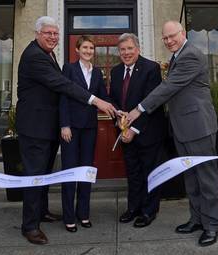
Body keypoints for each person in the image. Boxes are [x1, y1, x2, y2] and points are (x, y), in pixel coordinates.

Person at [16, 16, 115, 245]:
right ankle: (30, 226)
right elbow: (62, 85)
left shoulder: (47, 54)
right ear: (37, 33)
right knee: (34, 176)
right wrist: (95, 101)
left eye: (55, 33)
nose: (52, 37)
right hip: (34, 127)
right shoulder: (34, 56)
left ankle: (41, 212)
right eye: (47, 33)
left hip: (46, 127)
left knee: (44, 175)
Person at [126, 21, 218, 246]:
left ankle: (212, 226)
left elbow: (168, 88)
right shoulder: (178, 56)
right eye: (165, 38)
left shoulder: (190, 55)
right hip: (183, 128)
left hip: (199, 127)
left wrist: (139, 109)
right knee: (191, 178)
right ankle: (197, 220)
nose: (169, 41)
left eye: (172, 36)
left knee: (206, 180)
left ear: (183, 33)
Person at [109, 33, 167, 228]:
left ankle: (149, 211)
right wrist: (118, 122)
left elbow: (152, 102)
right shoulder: (116, 72)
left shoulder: (151, 68)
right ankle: (133, 208)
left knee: (149, 173)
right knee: (132, 173)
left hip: (147, 132)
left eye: (130, 49)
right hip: (124, 133)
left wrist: (133, 129)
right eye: (122, 49)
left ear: (138, 49)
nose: (126, 53)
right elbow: (113, 100)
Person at [59, 35, 108, 233]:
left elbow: (103, 97)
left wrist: (120, 109)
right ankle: (69, 217)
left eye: (91, 48)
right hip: (71, 128)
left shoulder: (97, 73)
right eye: (85, 47)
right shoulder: (69, 69)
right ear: (77, 50)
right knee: (70, 171)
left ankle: (83, 214)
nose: (89, 51)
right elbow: (63, 96)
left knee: (86, 172)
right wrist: (64, 125)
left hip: (89, 129)